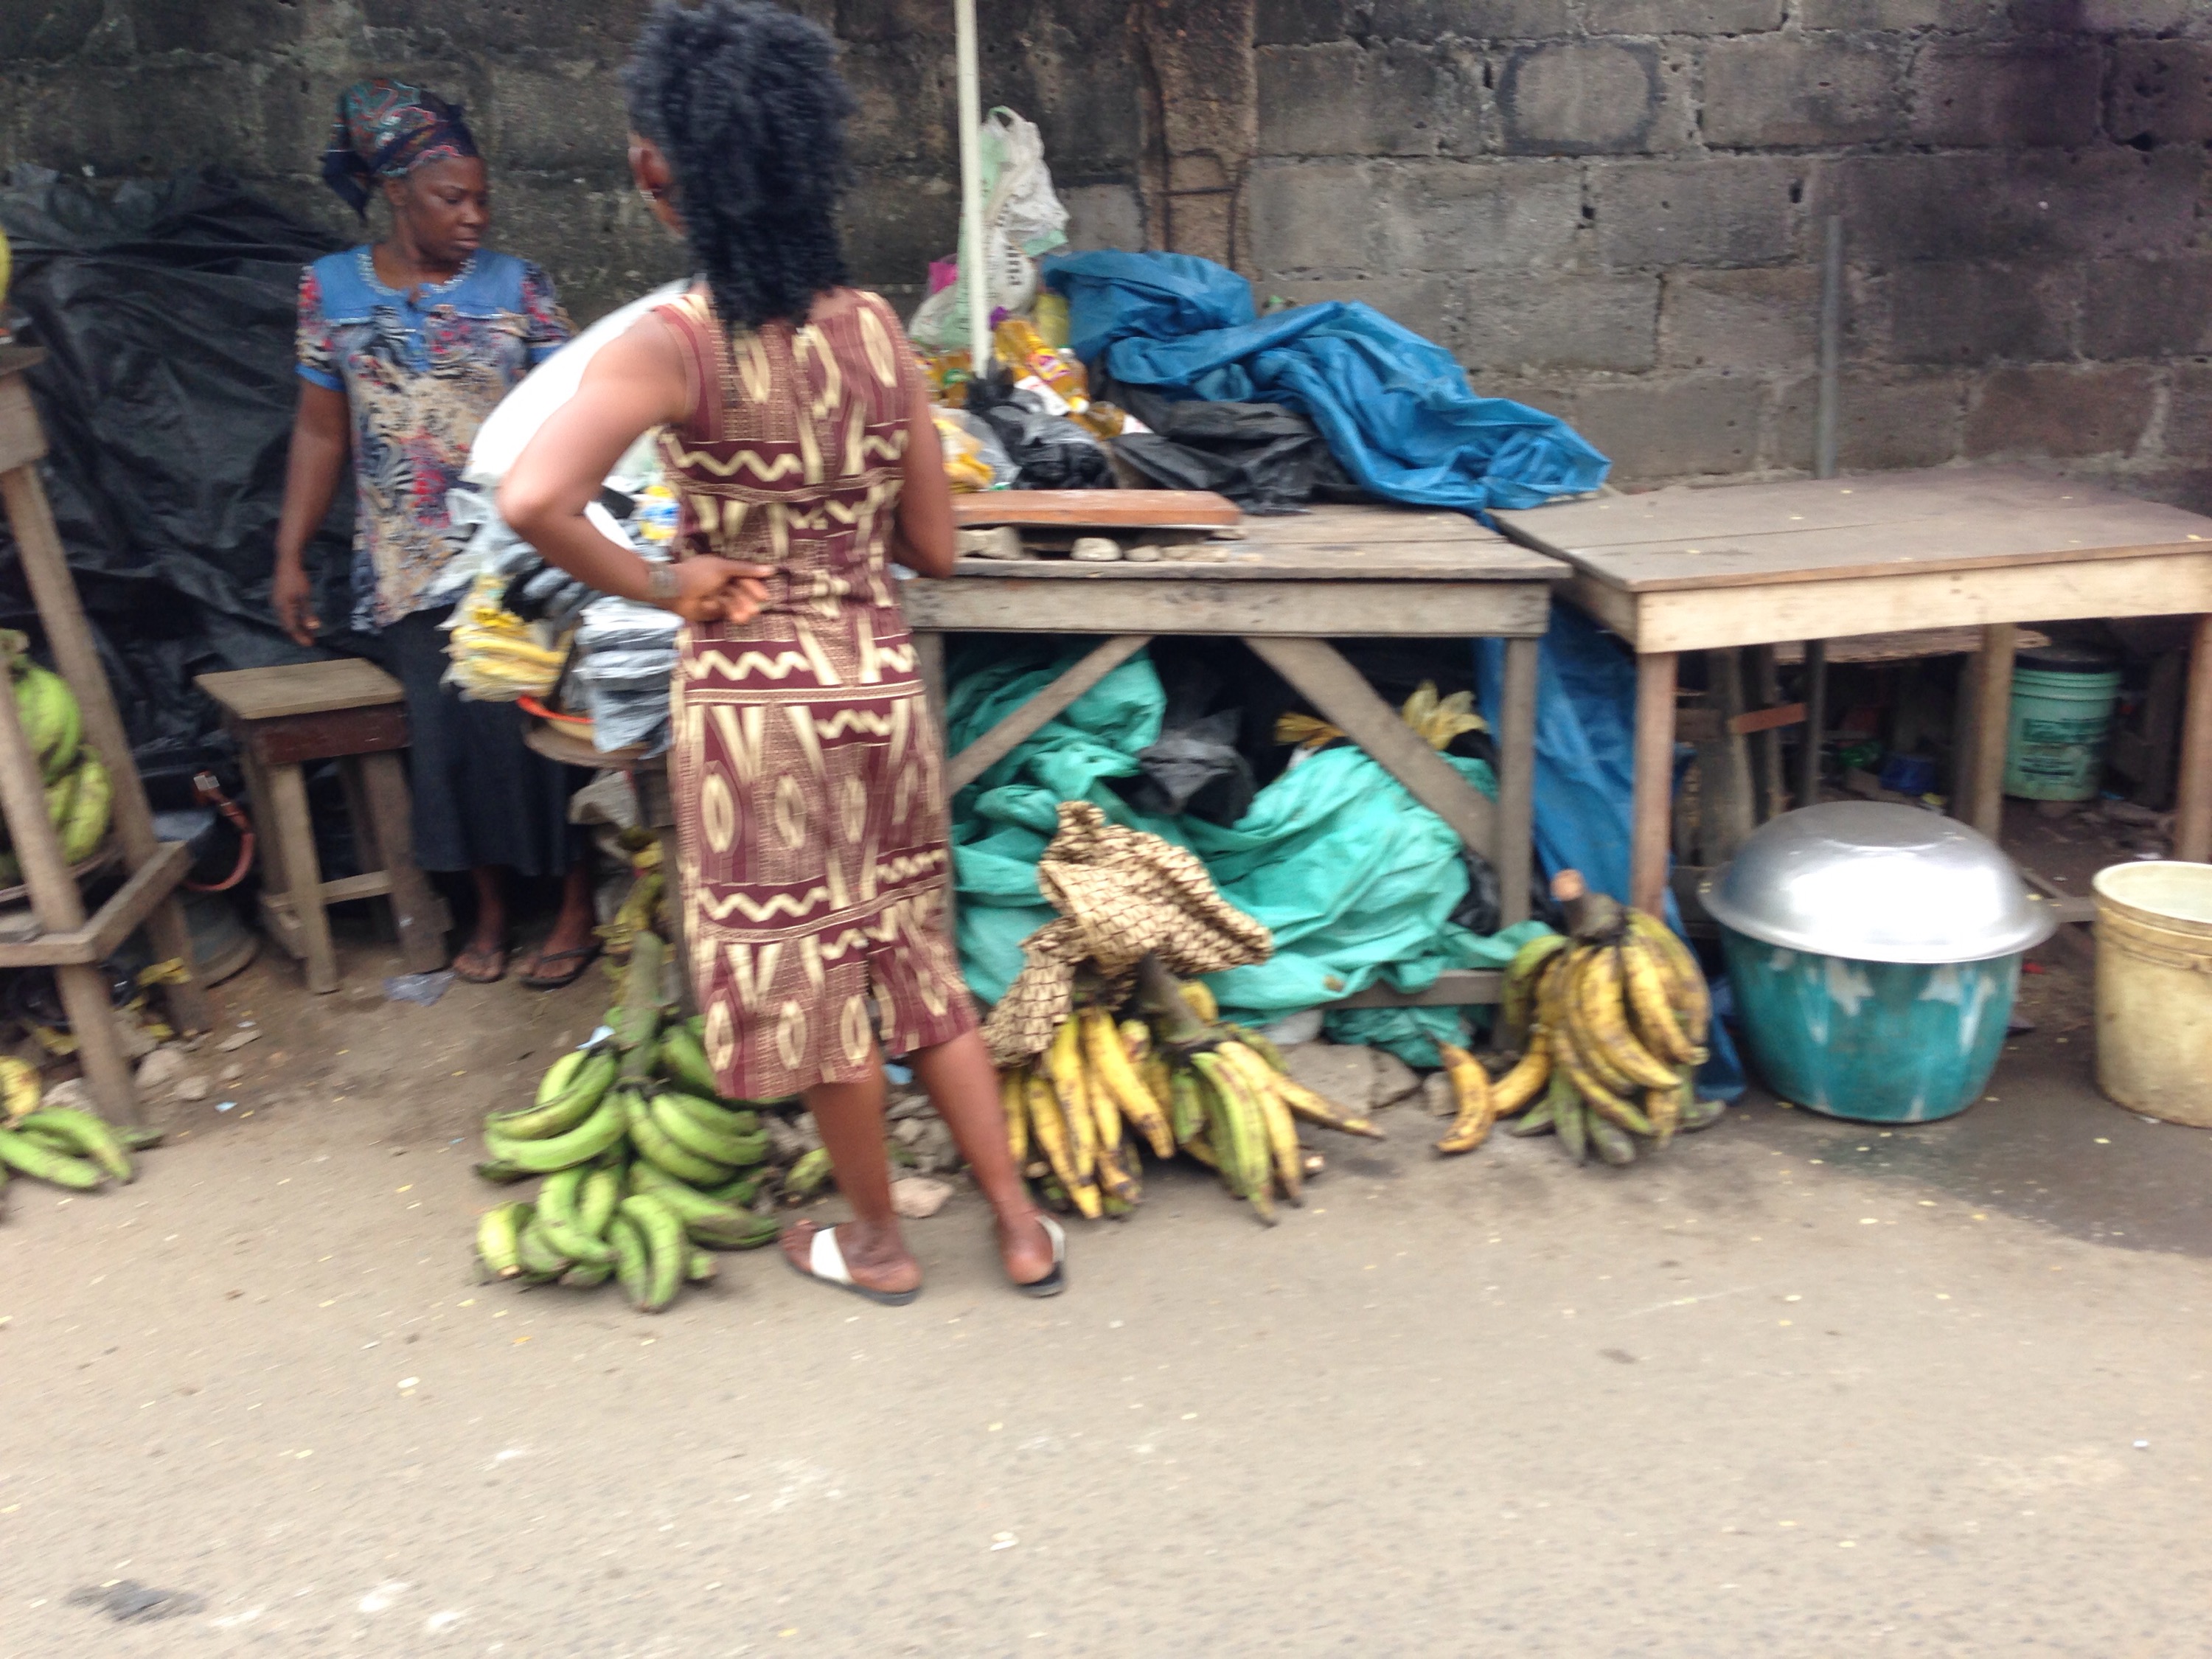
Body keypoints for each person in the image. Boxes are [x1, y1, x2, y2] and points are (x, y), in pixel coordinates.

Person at [499, 1, 1060, 1301]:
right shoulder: (874, 329)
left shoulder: (672, 346)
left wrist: (667, 576)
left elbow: (532, 500)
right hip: (879, 687)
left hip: (757, 710)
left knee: (815, 993)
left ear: (665, 175)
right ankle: (1021, 1229)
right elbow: (939, 547)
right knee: (914, 962)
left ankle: (876, 1245)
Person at [270, 77, 602, 988]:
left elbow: (574, 409)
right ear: (396, 194)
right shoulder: (329, 290)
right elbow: (319, 428)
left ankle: (573, 904)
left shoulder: (518, 288)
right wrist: (290, 552)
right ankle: (488, 910)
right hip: (406, 561)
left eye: (483, 198)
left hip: (513, 557)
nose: (474, 216)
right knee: (449, 740)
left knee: (540, 725)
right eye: (452, 198)